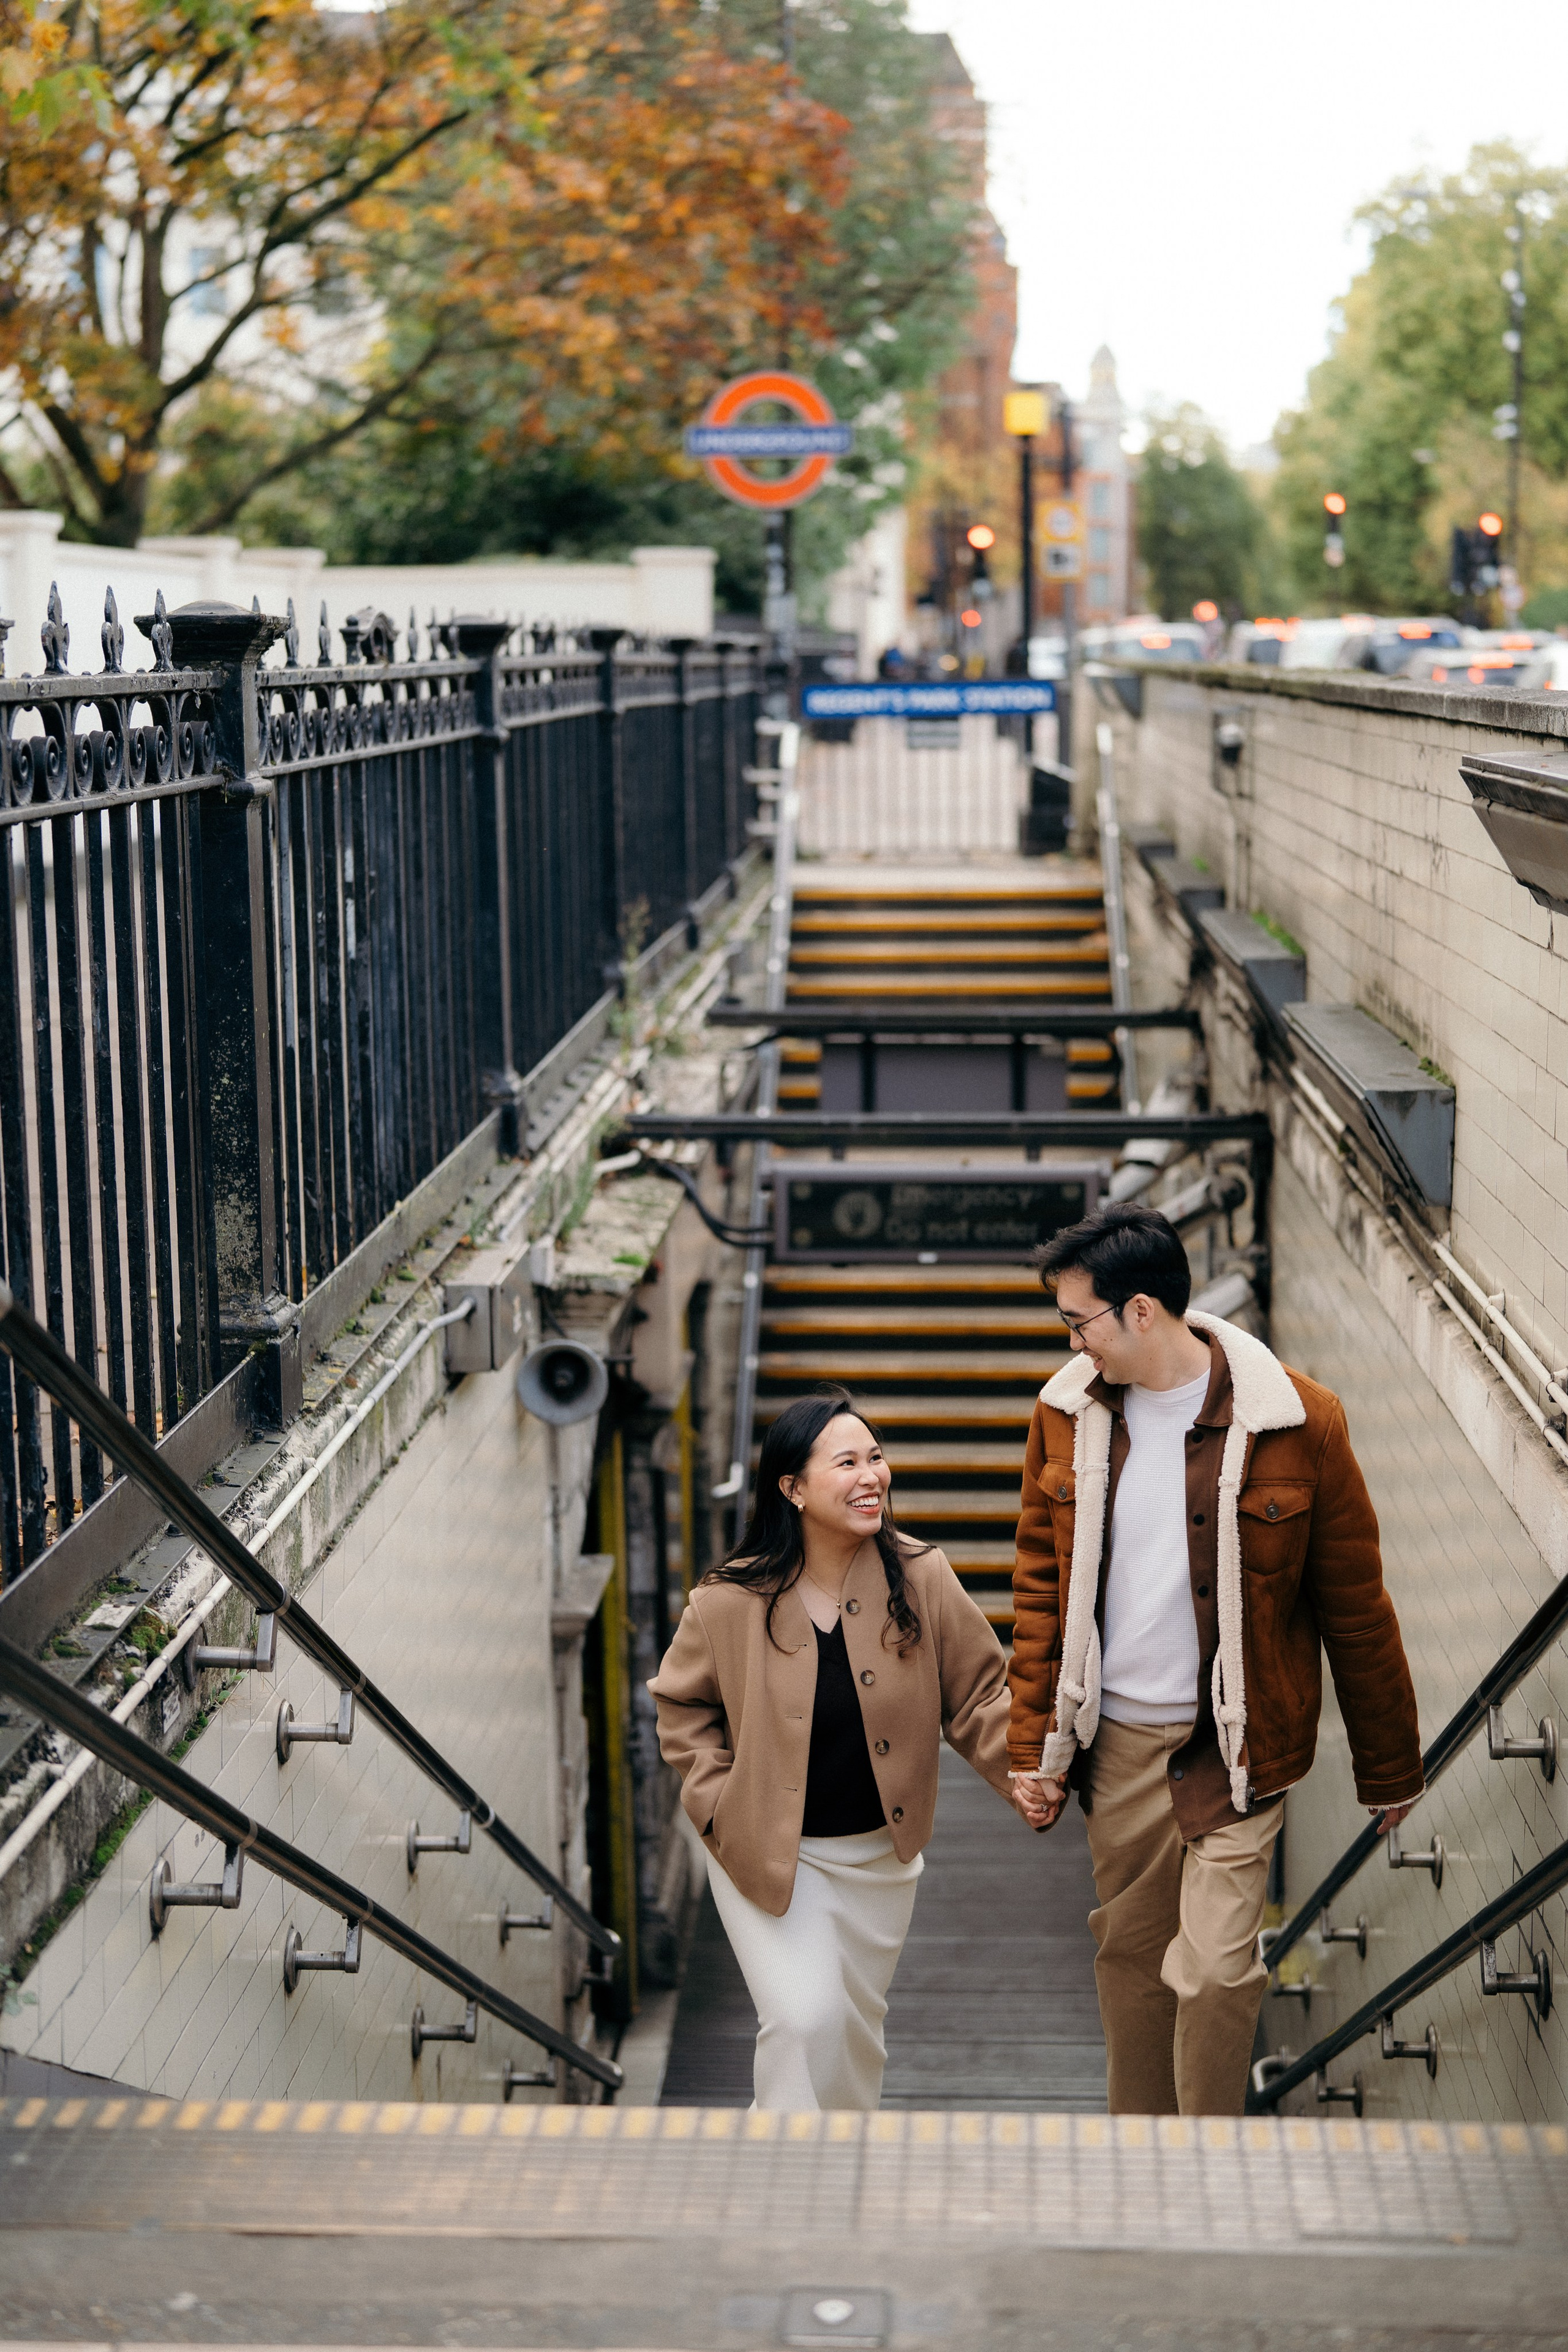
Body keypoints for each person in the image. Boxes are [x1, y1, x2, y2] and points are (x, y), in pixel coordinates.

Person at [1006, 1202, 1423, 2117]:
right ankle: (1143, 2166)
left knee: (1215, 1974)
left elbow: (1354, 1604)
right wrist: (1035, 1747)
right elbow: (1042, 1589)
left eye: (1081, 1321)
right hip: (1117, 1747)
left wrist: (1388, 1763)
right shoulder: (1065, 1414)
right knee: (1134, 1967)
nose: (1073, 1342)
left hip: (1238, 1747)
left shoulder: (1298, 1422)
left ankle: (1210, 2171)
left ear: (1142, 1312)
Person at [650, 1387, 1014, 2111]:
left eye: (875, 1458)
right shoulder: (727, 1600)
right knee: (799, 2019)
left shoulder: (921, 1575)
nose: (870, 1476)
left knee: (850, 2030)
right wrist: (718, 1804)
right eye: (846, 1462)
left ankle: (842, 2177)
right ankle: (784, 2199)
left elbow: (978, 1694)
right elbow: (681, 1705)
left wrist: (1026, 1774)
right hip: (765, 1849)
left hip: (879, 1858)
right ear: (792, 1488)